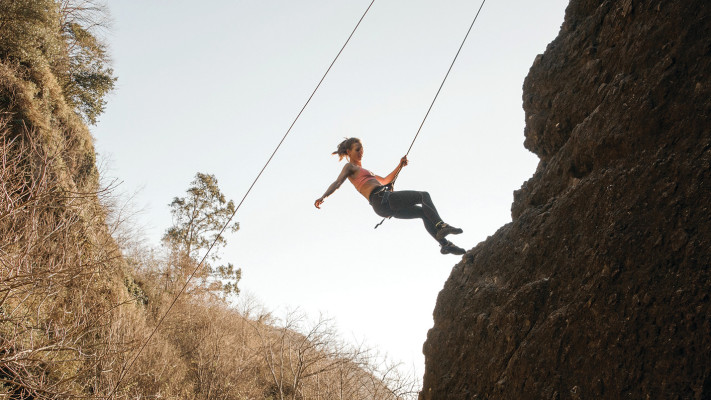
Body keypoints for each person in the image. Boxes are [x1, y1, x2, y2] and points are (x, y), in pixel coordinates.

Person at [315, 137, 466, 255]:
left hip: (383, 205)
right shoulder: (350, 167)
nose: (361, 152)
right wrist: (324, 197)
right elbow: (337, 182)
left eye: (362, 149)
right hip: (380, 199)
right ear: (348, 152)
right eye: (357, 149)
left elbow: (387, 180)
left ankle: (445, 245)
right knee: (423, 196)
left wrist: (400, 165)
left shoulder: (367, 172)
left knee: (422, 212)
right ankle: (441, 225)